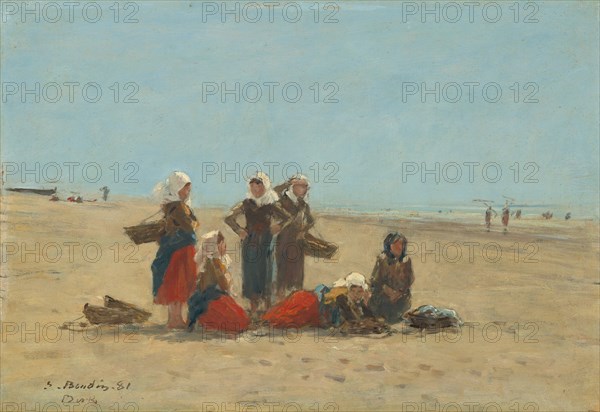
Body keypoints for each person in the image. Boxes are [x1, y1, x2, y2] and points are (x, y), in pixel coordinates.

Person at [224, 172, 291, 316]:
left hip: (266, 241)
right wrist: (239, 230)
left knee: (267, 272)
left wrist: (278, 227)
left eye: (259, 186)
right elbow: (229, 218)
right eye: (253, 186)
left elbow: (288, 218)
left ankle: (267, 309)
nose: (256, 189)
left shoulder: (271, 204)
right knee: (251, 273)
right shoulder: (246, 203)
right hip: (250, 242)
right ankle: (253, 308)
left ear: (265, 186)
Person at [263, 272, 386, 334]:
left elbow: (363, 317)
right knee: (278, 319)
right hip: (307, 304)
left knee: (280, 318)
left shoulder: (354, 301)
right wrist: (367, 325)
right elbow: (343, 325)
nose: (358, 294)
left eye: (361, 291)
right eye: (356, 291)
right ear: (350, 290)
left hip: (310, 308)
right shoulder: (341, 298)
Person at [151, 171, 198, 329]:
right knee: (176, 285)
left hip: (181, 249)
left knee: (179, 286)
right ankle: (174, 320)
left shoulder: (177, 205)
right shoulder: (177, 207)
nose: (188, 192)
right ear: (177, 188)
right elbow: (191, 225)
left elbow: (192, 223)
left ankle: (176, 319)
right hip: (178, 250)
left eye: (188, 189)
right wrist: (193, 223)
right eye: (185, 188)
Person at [187, 231, 250, 333]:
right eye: (223, 243)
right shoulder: (215, 263)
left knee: (240, 318)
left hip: (205, 300)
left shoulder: (209, 261)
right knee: (240, 320)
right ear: (217, 246)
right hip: (212, 301)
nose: (225, 246)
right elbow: (224, 286)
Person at [274, 174, 315, 300]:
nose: (305, 189)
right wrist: (287, 183)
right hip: (284, 239)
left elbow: (311, 220)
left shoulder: (303, 205)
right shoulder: (283, 200)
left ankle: (295, 300)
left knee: (297, 271)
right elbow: (273, 192)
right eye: (302, 186)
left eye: (306, 187)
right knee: (283, 270)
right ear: (294, 187)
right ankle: (280, 299)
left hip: (298, 241)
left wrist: (304, 230)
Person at [368, 232, 414, 324]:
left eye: (401, 244)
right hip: (383, 295)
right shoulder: (382, 259)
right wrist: (389, 292)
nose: (399, 247)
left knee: (403, 302)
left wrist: (399, 293)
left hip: (400, 296)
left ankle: (396, 315)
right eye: (395, 244)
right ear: (389, 246)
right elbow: (375, 282)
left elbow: (410, 280)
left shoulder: (406, 261)